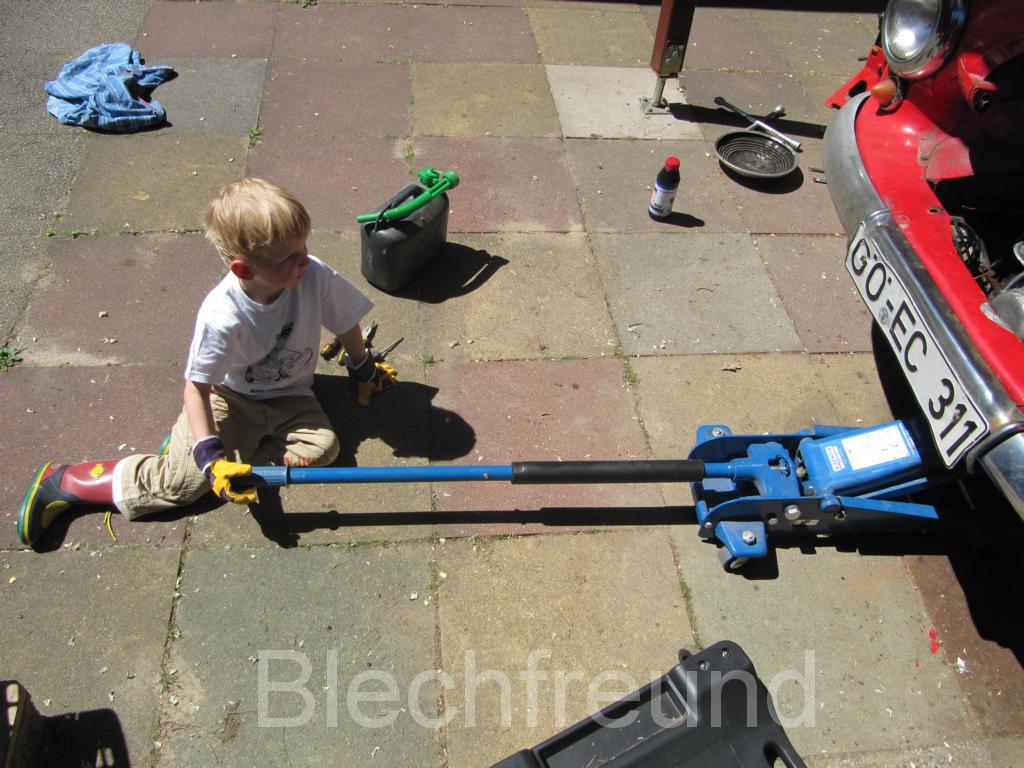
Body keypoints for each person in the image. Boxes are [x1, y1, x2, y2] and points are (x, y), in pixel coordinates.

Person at [18, 178, 396, 548]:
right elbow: (196, 388)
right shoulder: (222, 316)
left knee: (324, 450)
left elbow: (345, 321)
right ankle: (67, 481)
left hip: (291, 396)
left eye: (303, 246)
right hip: (229, 397)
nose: (305, 260)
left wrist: (362, 368)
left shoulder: (311, 274)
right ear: (244, 270)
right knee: (184, 485)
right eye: (290, 257)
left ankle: (202, 440)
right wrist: (211, 459)